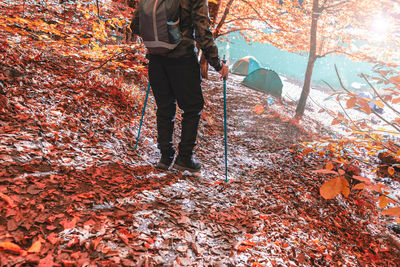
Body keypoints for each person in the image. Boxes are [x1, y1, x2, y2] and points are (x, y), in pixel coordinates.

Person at [130, 0, 229, 172]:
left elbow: (135, 25)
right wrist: (217, 64)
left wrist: (157, 39)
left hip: (156, 59)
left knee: (164, 107)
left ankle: (165, 157)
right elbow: (203, 33)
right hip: (182, 59)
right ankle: (184, 158)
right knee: (192, 107)